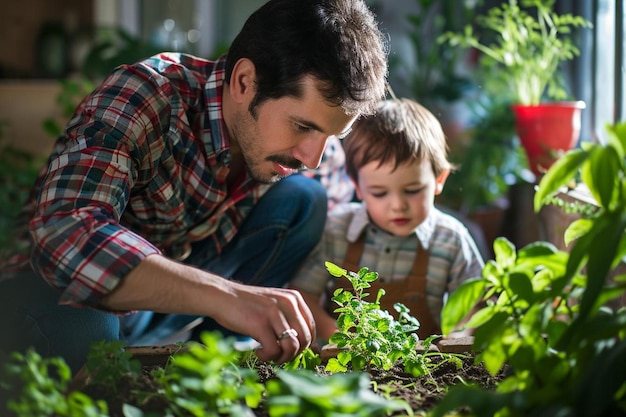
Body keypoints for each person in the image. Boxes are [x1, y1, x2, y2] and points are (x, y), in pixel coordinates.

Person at [0, 0, 388, 374]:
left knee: (306, 199)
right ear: (244, 81)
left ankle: (215, 361)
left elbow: (337, 242)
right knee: (89, 339)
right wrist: (228, 297)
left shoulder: (309, 152)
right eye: (303, 127)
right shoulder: (147, 95)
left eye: (332, 135)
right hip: (48, 290)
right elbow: (65, 231)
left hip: (166, 306)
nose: (314, 157)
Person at [289, 98, 484, 342]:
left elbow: (475, 307)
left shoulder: (451, 240)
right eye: (380, 193)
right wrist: (336, 337)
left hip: (423, 370)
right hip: (344, 368)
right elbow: (303, 295)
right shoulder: (336, 230)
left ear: (439, 179)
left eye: (412, 190)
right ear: (357, 187)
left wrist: (457, 338)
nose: (398, 205)